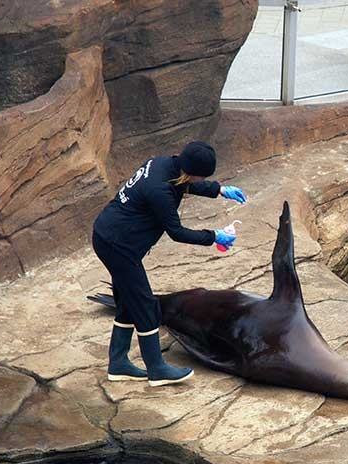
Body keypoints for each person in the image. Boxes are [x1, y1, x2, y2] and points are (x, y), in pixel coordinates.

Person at [91, 141, 247, 387]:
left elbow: (184, 183)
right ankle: (157, 369)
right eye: (200, 178)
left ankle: (118, 364)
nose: (198, 181)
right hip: (118, 246)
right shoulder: (159, 191)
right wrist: (214, 236)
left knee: (127, 302)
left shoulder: (164, 163)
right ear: (191, 172)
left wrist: (218, 190)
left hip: (109, 234)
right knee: (145, 306)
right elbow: (176, 232)